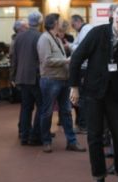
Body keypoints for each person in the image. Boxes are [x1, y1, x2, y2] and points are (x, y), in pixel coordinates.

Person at [70, 2, 118, 182]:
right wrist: (74, 86)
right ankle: (99, 178)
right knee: (94, 136)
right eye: (117, 13)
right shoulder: (97, 33)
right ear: (112, 14)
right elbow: (77, 58)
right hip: (92, 93)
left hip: (115, 95)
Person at [36, 13, 86, 154]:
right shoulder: (44, 38)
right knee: (47, 112)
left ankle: (71, 141)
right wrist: (67, 61)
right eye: (59, 22)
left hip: (63, 80)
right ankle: (46, 141)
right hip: (50, 80)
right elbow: (46, 61)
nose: (62, 24)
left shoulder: (56, 38)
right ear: (54, 24)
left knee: (66, 112)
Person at [12, 11, 43, 146]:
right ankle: (35, 136)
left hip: (21, 77)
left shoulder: (18, 37)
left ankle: (24, 136)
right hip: (35, 77)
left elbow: (14, 58)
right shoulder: (41, 37)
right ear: (40, 22)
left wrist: (12, 76)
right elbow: (42, 59)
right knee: (41, 107)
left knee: (26, 107)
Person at [70, 14, 91, 134]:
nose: (73, 28)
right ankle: (80, 123)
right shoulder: (83, 30)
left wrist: (70, 46)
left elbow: (81, 48)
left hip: (84, 68)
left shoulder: (86, 29)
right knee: (79, 99)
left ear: (78, 21)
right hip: (82, 67)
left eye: (73, 25)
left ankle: (83, 125)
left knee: (81, 98)